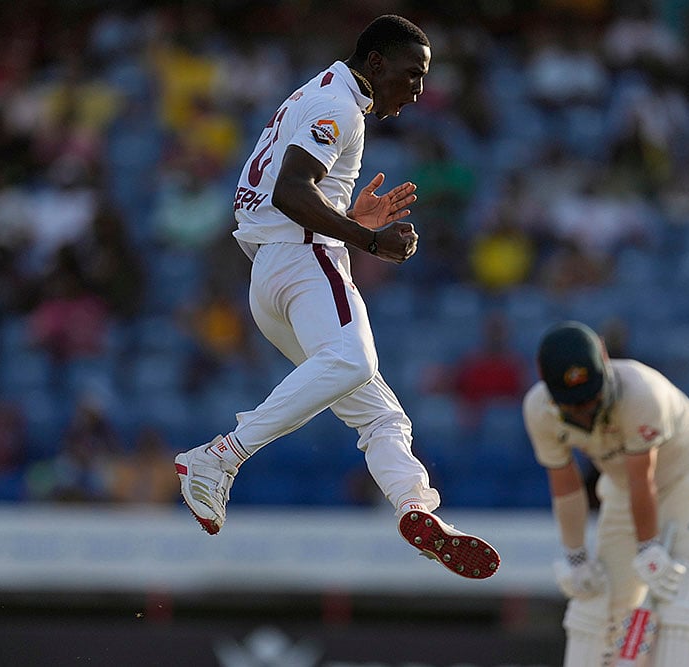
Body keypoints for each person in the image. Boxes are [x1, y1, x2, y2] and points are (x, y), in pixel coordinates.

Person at [173, 15, 500, 580]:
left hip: (275, 275)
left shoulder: (322, 92)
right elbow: (291, 190)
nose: (418, 90)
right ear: (375, 64)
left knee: (382, 417)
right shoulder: (341, 106)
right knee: (355, 360)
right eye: (411, 74)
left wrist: (345, 219)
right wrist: (368, 238)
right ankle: (221, 456)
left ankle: (415, 506)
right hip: (304, 264)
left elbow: (288, 193)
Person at [523, 321, 689, 667]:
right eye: (574, 405)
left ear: (604, 363)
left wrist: (649, 548)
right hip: (622, 485)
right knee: (599, 599)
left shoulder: (641, 393)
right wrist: (575, 557)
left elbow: (642, 478)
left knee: (680, 598)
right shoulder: (539, 410)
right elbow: (567, 486)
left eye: (591, 398)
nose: (586, 411)